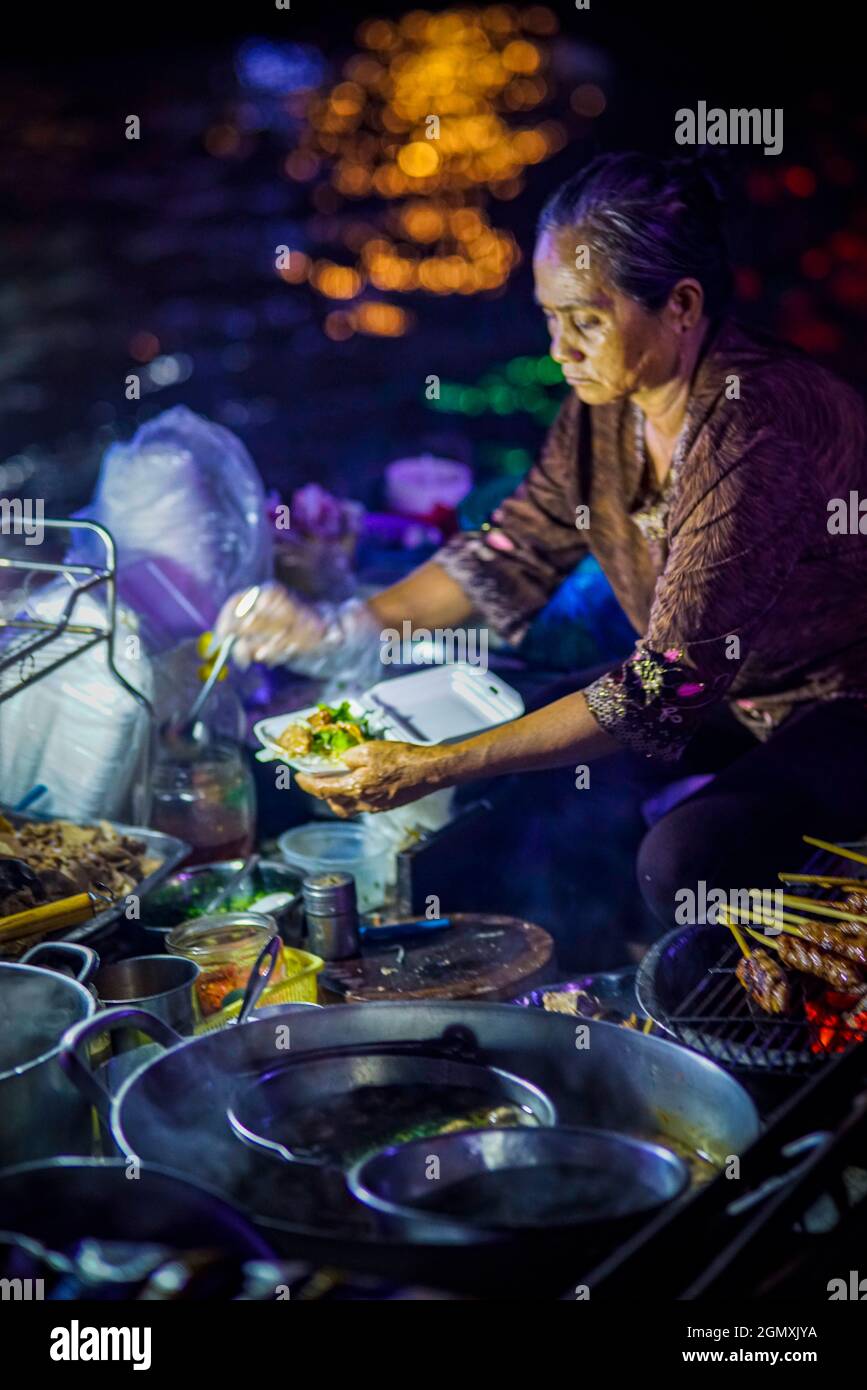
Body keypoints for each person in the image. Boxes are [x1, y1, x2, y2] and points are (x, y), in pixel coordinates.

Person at [216, 152, 867, 953]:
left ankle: (707, 1027)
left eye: (585, 320)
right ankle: (563, 981)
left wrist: (436, 765)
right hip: (720, 686)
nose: (559, 349)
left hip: (839, 700)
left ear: (680, 304)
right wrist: (344, 625)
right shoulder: (606, 405)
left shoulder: (754, 429)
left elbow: (665, 686)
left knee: (684, 862)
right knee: (522, 753)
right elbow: (511, 545)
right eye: (549, 316)